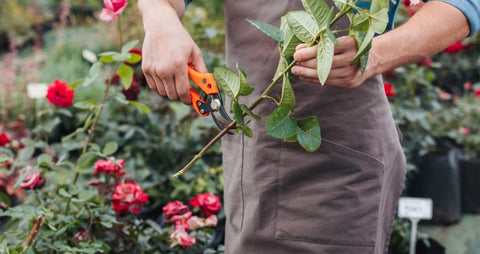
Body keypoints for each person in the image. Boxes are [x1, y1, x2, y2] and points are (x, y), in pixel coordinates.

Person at [138, 0, 480, 253]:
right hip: (253, 154)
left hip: (335, 166)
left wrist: (374, 53)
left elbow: (463, 5)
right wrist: (160, 19)